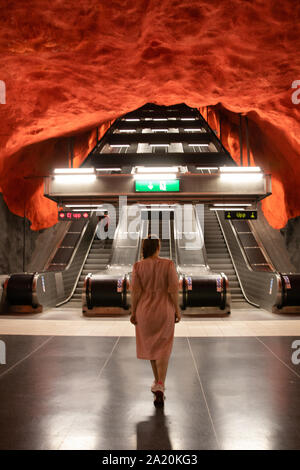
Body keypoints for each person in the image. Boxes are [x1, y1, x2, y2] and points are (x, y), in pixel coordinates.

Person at [130, 235, 181, 407]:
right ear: (158, 247)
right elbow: (173, 289)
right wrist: (177, 310)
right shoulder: (168, 264)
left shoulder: (138, 266)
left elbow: (135, 292)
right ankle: (160, 384)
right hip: (164, 309)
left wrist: (133, 311)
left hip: (144, 311)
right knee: (164, 347)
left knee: (151, 345)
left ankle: (157, 382)